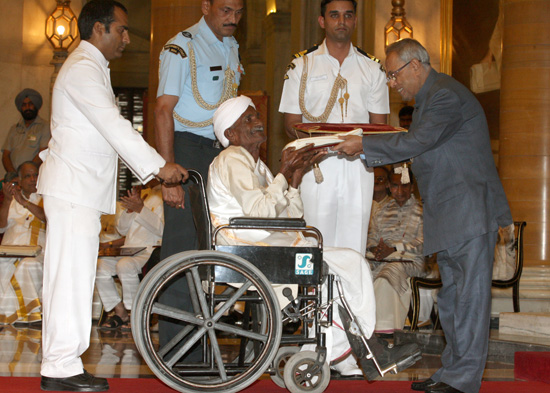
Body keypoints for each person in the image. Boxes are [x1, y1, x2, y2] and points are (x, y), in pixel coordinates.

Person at [334, 38, 512, 393]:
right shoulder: (433, 98)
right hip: (451, 213)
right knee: (451, 299)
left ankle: (463, 380)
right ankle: (451, 373)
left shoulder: (445, 95)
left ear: (415, 65)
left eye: (394, 74)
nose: (392, 82)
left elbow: (417, 142)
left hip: (468, 212)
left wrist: (364, 145)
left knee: (469, 299)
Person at [208, 96, 421, 380]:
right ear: (230, 134)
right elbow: (261, 212)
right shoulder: (232, 159)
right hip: (251, 252)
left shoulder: (255, 165)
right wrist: (283, 172)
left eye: (257, 115)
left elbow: (290, 218)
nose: (258, 122)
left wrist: (294, 178)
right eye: (248, 119)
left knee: (352, 262)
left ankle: (347, 351)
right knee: (345, 267)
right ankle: (349, 351)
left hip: (267, 247)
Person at [36, 1, 188, 391]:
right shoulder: (83, 68)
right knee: (69, 277)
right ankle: (60, 366)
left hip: (77, 190)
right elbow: (112, 125)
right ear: (99, 28)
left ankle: (63, 363)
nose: (125, 37)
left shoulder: (91, 68)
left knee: (74, 276)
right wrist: (159, 166)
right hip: (73, 189)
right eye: (121, 29)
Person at [154, 0, 245, 355]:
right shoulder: (181, 46)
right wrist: (168, 175)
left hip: (218, 152)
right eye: (225, 10)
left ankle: (199, 344)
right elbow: (163, 109)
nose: (233, 19)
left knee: (209, 249)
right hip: (187, 150)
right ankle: (176, 349)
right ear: (205, 6)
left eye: (238, 12)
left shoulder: (231, 46)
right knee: (181, 248)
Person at [279, 0, 389, 256]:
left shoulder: (372, 68)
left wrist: (356, 144)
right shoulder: (301, 65)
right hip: (316, 165)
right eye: (335, 15)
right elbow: (290, 125)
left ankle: (349, 297)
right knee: (315, 240)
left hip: (358, 165)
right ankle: (315, 296)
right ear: (322, 21)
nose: (342, 21)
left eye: (348, 15)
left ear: (355, 20)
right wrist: (325, 143)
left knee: (353, 244)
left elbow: (380, 126)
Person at [367, 170, 428, 335]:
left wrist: (394, 249)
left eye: (405, 186)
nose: (400, 191)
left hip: (411, 261)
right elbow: (371, 237)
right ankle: (361, 327)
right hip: (380, 259)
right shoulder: (381, 211)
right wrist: (375, 249)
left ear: (412, 187)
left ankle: (384, 330)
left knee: (387, 275)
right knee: (359, 271)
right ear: (389, 186)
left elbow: (425, 243)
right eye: (395, 186)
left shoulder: (424, 211)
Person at [96, 181, 163, 331]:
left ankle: (136, 313)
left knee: (124, 265)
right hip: (129, 249)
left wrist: (140, 209)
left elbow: (162, 230)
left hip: (150, 250)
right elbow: (123, 230)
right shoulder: (143, 194)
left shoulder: (165, 194)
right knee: (99, 267)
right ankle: (119, 311)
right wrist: (130, 211)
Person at [0, 161, 45, 324]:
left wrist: (24, 202)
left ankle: (29, 315)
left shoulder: (47, 199)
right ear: (19, 180)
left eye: (36, 175)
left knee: (28, 265)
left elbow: (47, 217)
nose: (33, 179)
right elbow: (1, 226)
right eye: (28, 176)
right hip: (9, 250)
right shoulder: (10, 201)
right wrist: (7, 201)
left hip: (38, 254)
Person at [2, 89, 51, 178]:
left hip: (33, 178)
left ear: (36, 106)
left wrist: (25, 173)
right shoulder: (14, 129)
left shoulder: (45, 126)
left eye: (30, 104)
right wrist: (14, 175)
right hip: (15, 177)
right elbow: (5, 155)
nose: (27, 107)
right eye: (24, 105)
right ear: (21, 108)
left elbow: (43, 153)